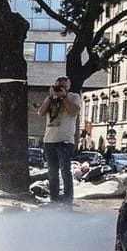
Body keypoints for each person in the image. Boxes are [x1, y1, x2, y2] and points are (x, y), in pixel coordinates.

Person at [31, 76, 81, 204]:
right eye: (58, 86)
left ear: (68, 87)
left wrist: (63, 97)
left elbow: (73, 112)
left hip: (65, 140)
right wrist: (50, 97)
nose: (60, 89)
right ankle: (54, 199)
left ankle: (67, 200)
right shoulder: (50, 99)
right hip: (49, 140)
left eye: (64, 86)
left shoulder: (73, 97)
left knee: (65, 171)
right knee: (52, 172)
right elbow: (41, 113)